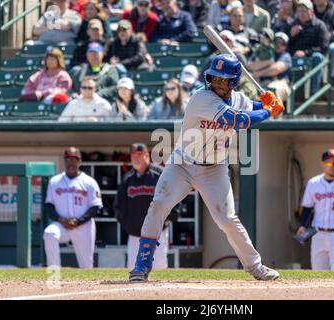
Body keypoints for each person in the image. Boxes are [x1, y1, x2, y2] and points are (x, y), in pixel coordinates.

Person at [128, 54, 284, 282]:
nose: (218, 83)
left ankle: (256, 267)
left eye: (224, 80)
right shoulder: (202, 98)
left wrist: (270, 102)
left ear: (233, 82)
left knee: (227, 219)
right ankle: (141, 267)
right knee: (158, 205)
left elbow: (253, 108)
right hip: (182, 164)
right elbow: (241, 121)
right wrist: (270, 111)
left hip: (214, 168)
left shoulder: (239, 99)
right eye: (215, 78)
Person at [114, 143, 177, 269]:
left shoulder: (160, 174)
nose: (136, 159)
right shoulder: (128, 179)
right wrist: (128, 226)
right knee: (134, 268)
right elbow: (118, 206)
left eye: (139, 155)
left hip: (157, 233)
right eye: (133, 156)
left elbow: (174, 199)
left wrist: (166, 221)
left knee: (158, 267)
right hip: (135, 234)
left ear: (147, 156)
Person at [43, 147, 103, 268]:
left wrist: (79, 221)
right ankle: (54, 271)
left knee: (86, 265)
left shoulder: (89, 181)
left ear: (79, 161)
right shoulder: (55, 181)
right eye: (68, 159)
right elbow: (49, 206)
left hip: (83, 226)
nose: (70, 162)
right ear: (64, 161)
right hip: (62, 225)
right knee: (49, 234)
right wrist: (61, 220)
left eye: (73, 159)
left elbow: (95, 207)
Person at [286, 0, 329, 94]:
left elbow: (323, 47)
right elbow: (284, 46)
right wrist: (291, 36)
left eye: (304, 10)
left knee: (317, 57)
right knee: (285, 57)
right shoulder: (292, 25)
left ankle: (314, 92)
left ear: (311, 11)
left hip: (311, 57)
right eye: (299, 11)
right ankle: (289, 91)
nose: (301, 13)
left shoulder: (319, 25)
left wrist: (306, 52)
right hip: (294, 56)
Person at [249, 31, 292, 106]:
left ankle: (275, 117)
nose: (279, 45)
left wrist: (259, 73)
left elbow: (276, 69)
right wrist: (269, 62)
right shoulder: (265, 52)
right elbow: (250, 66)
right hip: (261, 83)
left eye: (282, 43)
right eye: (276, 42)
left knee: (273, 90)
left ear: (286, 46)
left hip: (281, 82)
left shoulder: (285, 55)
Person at [313, 0, 334, 79]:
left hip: (332, 42)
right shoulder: (310, 10)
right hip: (314, 43)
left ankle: (329, 78)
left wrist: (330, 35)